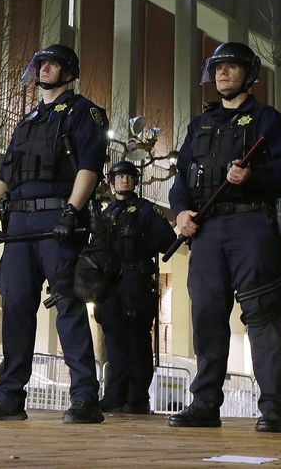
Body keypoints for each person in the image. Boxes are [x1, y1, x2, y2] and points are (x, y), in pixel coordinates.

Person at [167, 42, 281, 433]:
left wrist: (253, 177)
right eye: (217, 67)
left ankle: (274, 410)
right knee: (206, 317)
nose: (222, 73)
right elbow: (181, 179)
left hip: (252, 227)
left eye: (230, 67)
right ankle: (205, 405)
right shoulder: (200, 124)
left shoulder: (267, 120)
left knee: (262, 316)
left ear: (250, 74)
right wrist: (181, 213)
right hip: (207, 232)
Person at [0, 44, 108, 423]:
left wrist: (71, 211)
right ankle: (9, 397)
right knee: (14, 309)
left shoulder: (84, 112)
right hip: (19, 226)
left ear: (68, 71)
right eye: (41, 64)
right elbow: (5, 174)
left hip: (57, 219)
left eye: (52, 64)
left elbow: (89, 167)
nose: (44, 69)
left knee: (68, 306)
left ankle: (85, 399)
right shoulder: (27, 119)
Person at [94, 161, 175, 414]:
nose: (125, 181)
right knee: (114, 343)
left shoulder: (147, 210)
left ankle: (138, 398)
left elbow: (168, 243)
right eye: (120, 177)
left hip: (137, 282)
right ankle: (114, 396)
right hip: (111, 286)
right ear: (112, 182)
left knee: (137, 342)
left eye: (129, 177)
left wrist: (141, 236)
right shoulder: (106, 214)